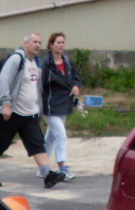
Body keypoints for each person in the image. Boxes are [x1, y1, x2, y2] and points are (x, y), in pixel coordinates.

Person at [0, 33, 64, 189]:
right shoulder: (16, 60)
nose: (38, 45)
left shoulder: (36, 62)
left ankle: (48, 175)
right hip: (11, 113)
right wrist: (6, 104)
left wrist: (38, 108)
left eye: (40, 42)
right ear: (25, 43)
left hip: (30, 113)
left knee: (37, 144)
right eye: (34, 42)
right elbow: (3, 82)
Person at [41, 32, 81, 181]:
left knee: (50, 137)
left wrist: (76, 86)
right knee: (61, 136)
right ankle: (63, 168)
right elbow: (40, 85)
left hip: (65, 104)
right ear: (51, 45)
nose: (61, 45)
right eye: (58, 42)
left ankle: (42, 168)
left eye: (63, 42)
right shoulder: (46, 64)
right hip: (50, 106)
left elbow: (76, 78)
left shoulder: (68, 62)